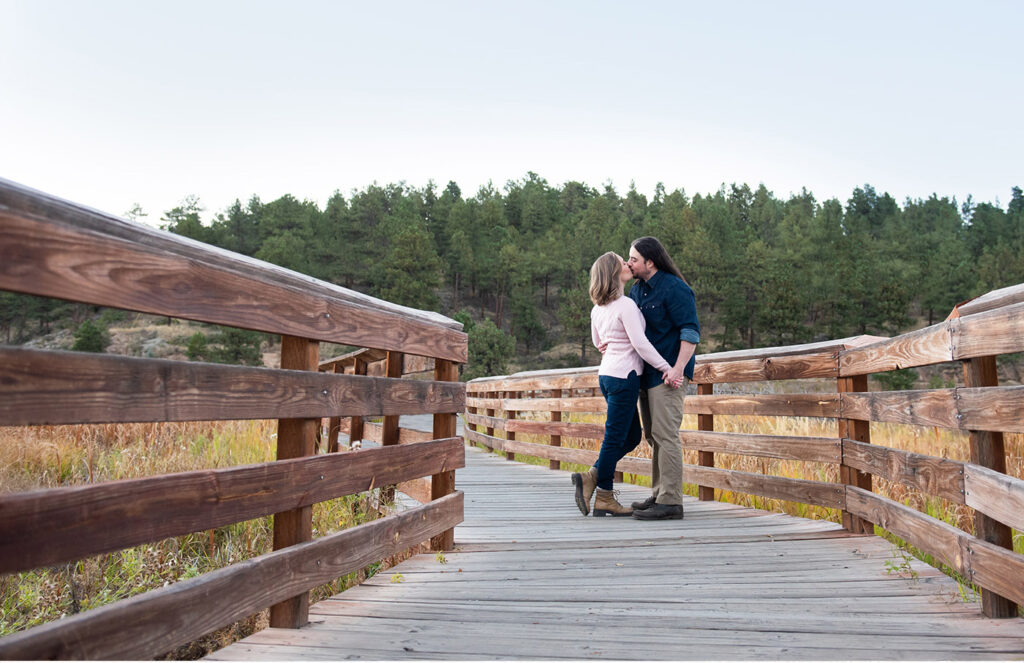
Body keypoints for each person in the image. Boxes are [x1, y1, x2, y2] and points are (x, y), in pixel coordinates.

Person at [572, 252, 674, 517]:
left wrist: (612, 345)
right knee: (615, 438)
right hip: (624, 376)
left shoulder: (597, 309)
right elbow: (640, 344)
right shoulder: (626, 305)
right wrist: (666, 367)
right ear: (613, 272)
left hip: (607, 375)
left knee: (630, 437)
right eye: (622, 262)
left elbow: (598, 342)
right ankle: (605, 496)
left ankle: (592, 476)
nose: (627, 264)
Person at [626, 237, 700, 520]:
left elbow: (690, 331)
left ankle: (671, 502)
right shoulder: (637, 290)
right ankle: (659, 494)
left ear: (650, 261)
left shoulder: (675, 288)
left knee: (666, 435)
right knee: (652, 434)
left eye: (634, 259)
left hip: (669, 374)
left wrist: (678, 369)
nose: (629, 263)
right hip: (645, 374)